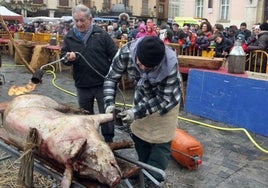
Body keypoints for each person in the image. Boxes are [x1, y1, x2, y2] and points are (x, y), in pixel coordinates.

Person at [103, 36, 181, 186]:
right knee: (139, 135)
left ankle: (153, 179)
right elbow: (111, 79)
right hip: (142, 97)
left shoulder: (170, 65)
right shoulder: (125, 53)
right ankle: (143, 170)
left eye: (149, 67)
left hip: (166, 102)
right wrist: (108, 104)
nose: (143, 69)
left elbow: (162, 99)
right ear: (136, 54)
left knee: (161, 143)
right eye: (141, 64)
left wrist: (134, 113)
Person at [60, 4, 117, 142]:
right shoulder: (70, 37)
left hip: (102, 83)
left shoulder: (101, 34)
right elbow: (63, 58)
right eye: (76, 20)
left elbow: (115, 56)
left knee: (107, 114)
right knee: (85, 115)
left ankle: (109, 141)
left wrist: (113, 77)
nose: (79, 24)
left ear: (90, 19)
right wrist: (68, 58)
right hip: (82, 84)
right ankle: (89, 140)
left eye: (82, 20)